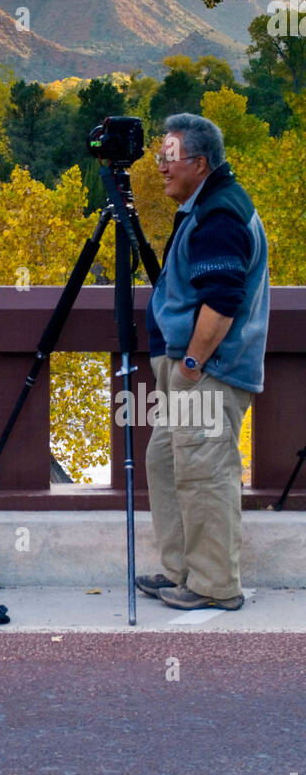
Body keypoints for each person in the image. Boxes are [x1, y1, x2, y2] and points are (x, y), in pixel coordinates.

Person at [138, 113, 269, 611]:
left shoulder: (219, 215)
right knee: (168, 464)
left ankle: (214, 586)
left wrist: (192, 363)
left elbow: (223, 298)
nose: (160, 167)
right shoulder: (206, 206)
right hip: (194, 369)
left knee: (205, 472)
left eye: (168, 158)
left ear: (200, 163)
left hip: (209, 371)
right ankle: (182, 572)